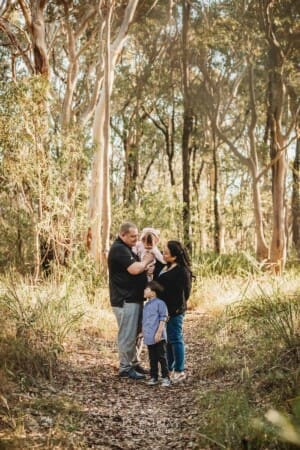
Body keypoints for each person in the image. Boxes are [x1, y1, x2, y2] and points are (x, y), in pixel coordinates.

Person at [108, 222, 154, 380]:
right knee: (127, 334)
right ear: (122, 235)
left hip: (134, 297)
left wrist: (144, 268)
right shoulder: (119, 249)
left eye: (137, 235)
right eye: (133, 236)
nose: (136, 239)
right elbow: (134, 269)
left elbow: (135, 269)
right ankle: (125, 367)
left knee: (135, 333)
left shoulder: (127, 248)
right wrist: (146, 261)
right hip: (124, 299)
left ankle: (134, 363)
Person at [156, 240, 193, 383]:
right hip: (163, 310)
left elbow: (185, 294)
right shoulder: (165, 266)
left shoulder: (182, 272)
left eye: (166, 252)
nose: (163, 254)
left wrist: (173, 310)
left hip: (174, 311)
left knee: (176, 339)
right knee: (169, 341)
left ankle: (179, 370)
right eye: (163, 251)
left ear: (174, 256)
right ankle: (170, 368)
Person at [142, 280, 171, 387]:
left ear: (153, 292)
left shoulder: (160, 303)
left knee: (162, 357)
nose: (144, 291)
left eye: (147, 289)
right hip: (149, 337)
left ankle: (165, 377)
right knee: (152, 358)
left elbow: (163, 318)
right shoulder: (146, 305)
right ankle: (154, 377)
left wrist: (159, 333)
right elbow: (145, 320)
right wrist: (142, 332)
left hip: (159, 337)